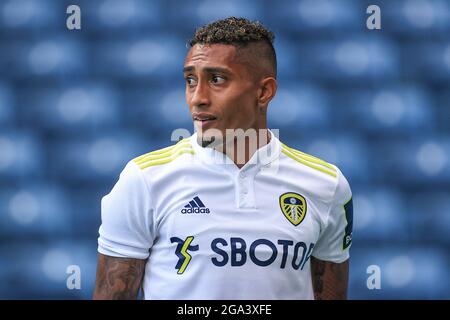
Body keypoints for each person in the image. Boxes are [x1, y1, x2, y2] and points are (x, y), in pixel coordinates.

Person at [93, 17, 353, 300]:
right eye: (191, 80)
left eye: (217, 80)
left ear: (264, 92)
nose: (197, 98)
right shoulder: (143, 179)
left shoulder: (327, 185)